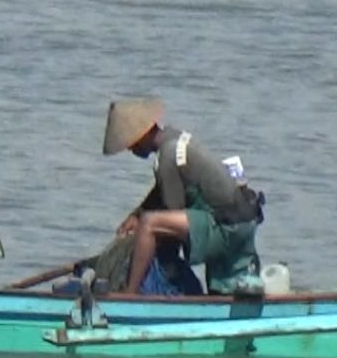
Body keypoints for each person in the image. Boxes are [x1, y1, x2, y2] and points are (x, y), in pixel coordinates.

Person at [102, 98, 264, 295]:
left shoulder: (167, 157)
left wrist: (145, 238)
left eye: (131, 144)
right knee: (145, 219)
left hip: (227, 227)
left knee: (149, 224)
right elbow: (161, 190)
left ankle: (130, 293)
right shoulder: (175, 138)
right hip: (241, 218)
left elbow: (173, 210)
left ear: (142, 136)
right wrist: (136, 213)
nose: (131, 150)